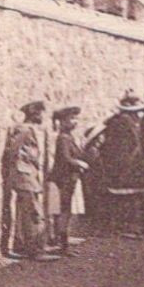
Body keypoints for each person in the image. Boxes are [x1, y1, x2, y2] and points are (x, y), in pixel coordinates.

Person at [97, 90, 144, 237]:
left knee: (128, 197)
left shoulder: (118, 121)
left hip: (124, 164)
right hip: (127, 165)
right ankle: (126, 227)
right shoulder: (125, 122)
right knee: (128, 197)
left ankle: (126, 226)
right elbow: (131, 145)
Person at [0, 100, 47, 258]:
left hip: (27, 174)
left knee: (24, 212)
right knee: (33, 212)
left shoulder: (27, 129)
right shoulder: (25, 130)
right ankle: (35, 250)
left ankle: (22, 246)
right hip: (24, 175)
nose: (42, 116)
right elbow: (12, 151)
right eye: (40, 113)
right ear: (34, 114)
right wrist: (20, 164)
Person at [49, 106, 89, 255]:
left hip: (69, 179)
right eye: (72, 119)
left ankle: (62, 243)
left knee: (65, 211)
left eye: (76, 118)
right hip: (63, 179)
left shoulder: (69, 137)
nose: (75, 122)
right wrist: (80, 163)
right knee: (63, 211)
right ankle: (62, 245)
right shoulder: (63, 138)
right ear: (63, 121)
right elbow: (66, 158)